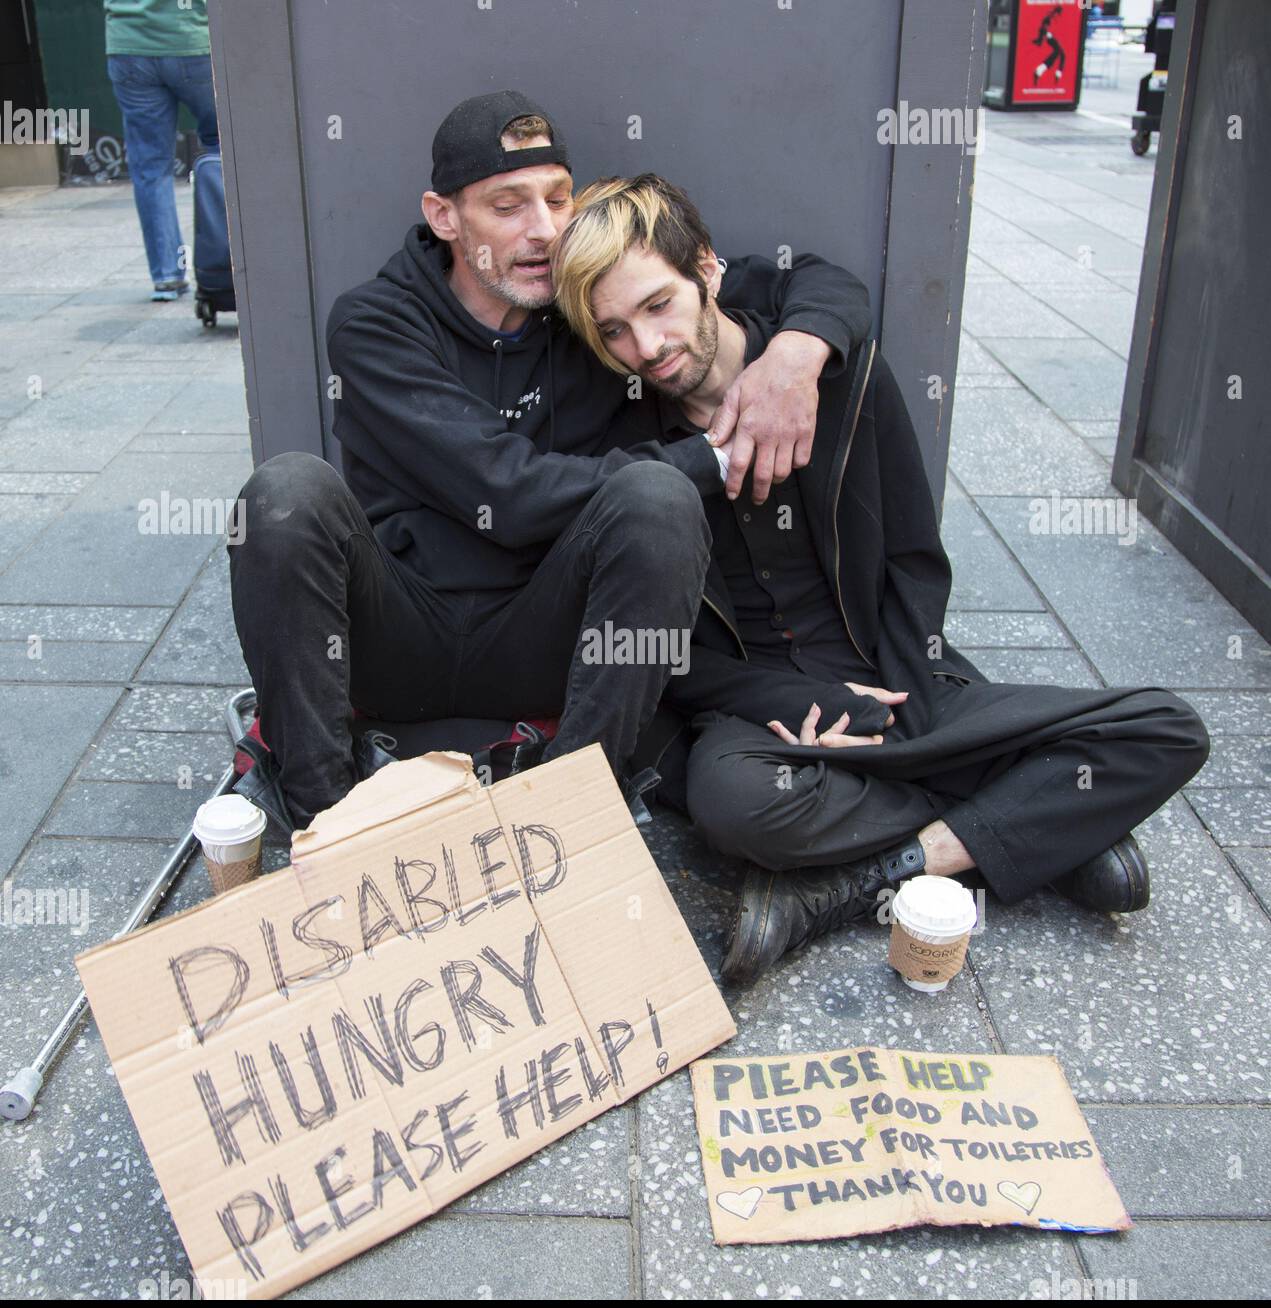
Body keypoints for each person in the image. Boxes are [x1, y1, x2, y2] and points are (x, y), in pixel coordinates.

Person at [550, 173, 1210, 987]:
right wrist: (783, 704)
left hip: (895, 675)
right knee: (732, 805)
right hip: (762, 719)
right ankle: (1030, 825)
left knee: (1165, 729)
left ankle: (852, 883)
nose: (646, 349)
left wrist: (901, 699)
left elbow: (911, 559)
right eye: (613, 331)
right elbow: (654, 644)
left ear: (708, 270)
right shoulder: (626, 450)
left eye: (657, 306)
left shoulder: (837, 376)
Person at [229, 92, 873, 834]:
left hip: (543, 636)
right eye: (507, 206)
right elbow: (506, 494)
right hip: (396, 631)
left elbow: (807, 282)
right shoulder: (377, 322)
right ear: (445, 217)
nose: (542, 230)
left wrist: (796, 353)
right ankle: (323, 820)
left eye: (557, 199)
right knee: (282, 492)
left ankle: (576, 818)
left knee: (656, 498)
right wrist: (712, 455)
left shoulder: (594, 307)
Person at [104, 0, 220, 300]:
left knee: (151, 168)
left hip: (129, 45)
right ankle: (229, 264)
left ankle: (168, 275)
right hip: (192, 41)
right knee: (225, 152)